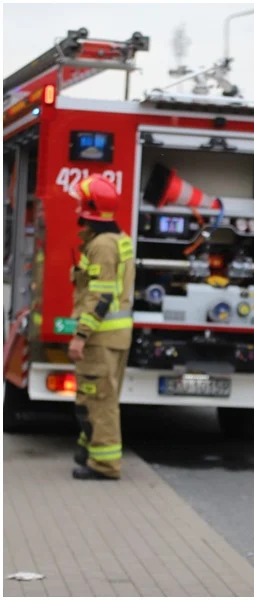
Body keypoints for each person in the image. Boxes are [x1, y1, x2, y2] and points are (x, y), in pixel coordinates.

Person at [68, 174, 136, 481]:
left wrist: (81, 336)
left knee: (98, 401)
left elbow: (102, 296)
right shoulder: (120, 239)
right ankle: (90, 452)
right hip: (115, 337)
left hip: (100, 337)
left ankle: (105, 465)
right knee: (98, 398)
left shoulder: (102, 246)